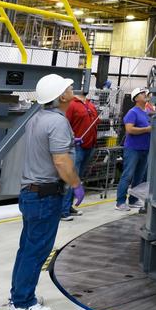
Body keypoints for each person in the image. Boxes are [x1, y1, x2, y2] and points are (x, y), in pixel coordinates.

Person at [5, 73, 81, 310]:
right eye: (68, 88)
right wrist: (76, 184)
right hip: (45, 196)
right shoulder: (57, 122)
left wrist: (68, 144)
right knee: (37, 250)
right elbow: (61, 161)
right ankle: (22, 304)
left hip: (32, 194)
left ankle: (19, 296)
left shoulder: (37, 118)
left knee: (27, 248)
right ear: (61, 97)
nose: (72, 88)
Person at [60, 83, 100, 221]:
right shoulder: (72, 105)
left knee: (78, 178)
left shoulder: (90, 104)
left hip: (89, 146)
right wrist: (71, 140)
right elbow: (65, 124)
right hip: (77, 147)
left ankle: (68, 206)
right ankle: (63, 210)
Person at [116, 87, 151, 211]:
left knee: (139, 176)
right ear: (136, 98)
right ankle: (120, 202)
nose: (145, 95)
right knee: (128, 175)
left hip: (145, 148)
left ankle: (133, 199)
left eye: (145, 93)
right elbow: (129, 129)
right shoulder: (133, 112)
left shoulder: (148, 112)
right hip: (133, 149)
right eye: (142, 93)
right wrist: (147, 129)